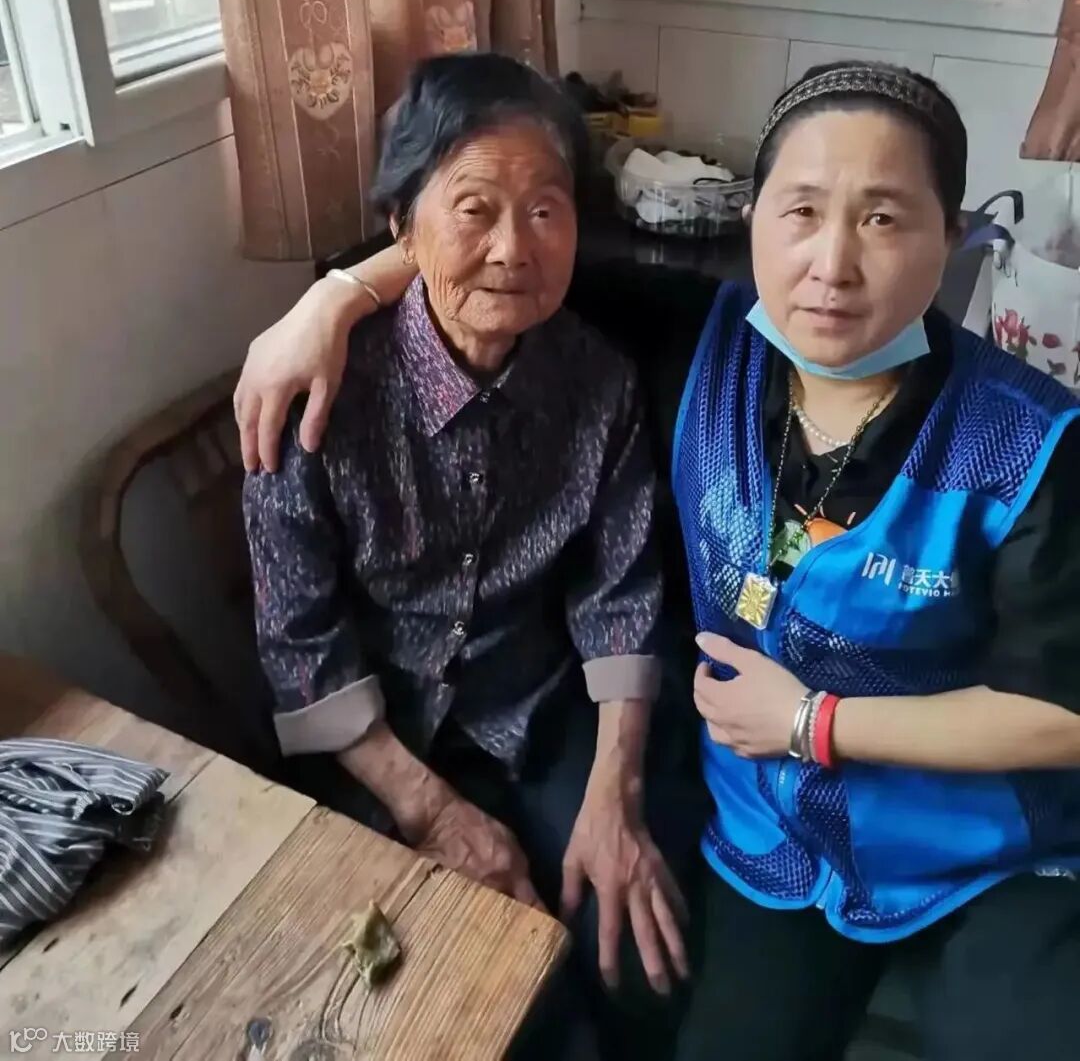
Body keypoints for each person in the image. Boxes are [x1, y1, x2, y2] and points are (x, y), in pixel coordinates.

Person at [236, 59, 1080, 1061]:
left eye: (885, 218)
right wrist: (327, 301)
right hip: (783, 838)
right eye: (802, 211)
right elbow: (481, 266)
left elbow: (1063, 713)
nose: (834, 263)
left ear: (956, 235)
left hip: (983, 843)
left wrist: (804, 725)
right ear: (753, 222)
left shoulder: (1030, 445)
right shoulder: (697, 335)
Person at [241, 53, 698, 1061]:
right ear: (402, 227)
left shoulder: (600, 382)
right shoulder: (318, 394)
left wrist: (614, 796)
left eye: (545, 211)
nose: (511, 249)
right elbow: (300, 646)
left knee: (638, 950)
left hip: (541, 709)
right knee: (456, 992)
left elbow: (622, 596)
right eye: (475, 209)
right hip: (374, 740)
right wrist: (433, 811)